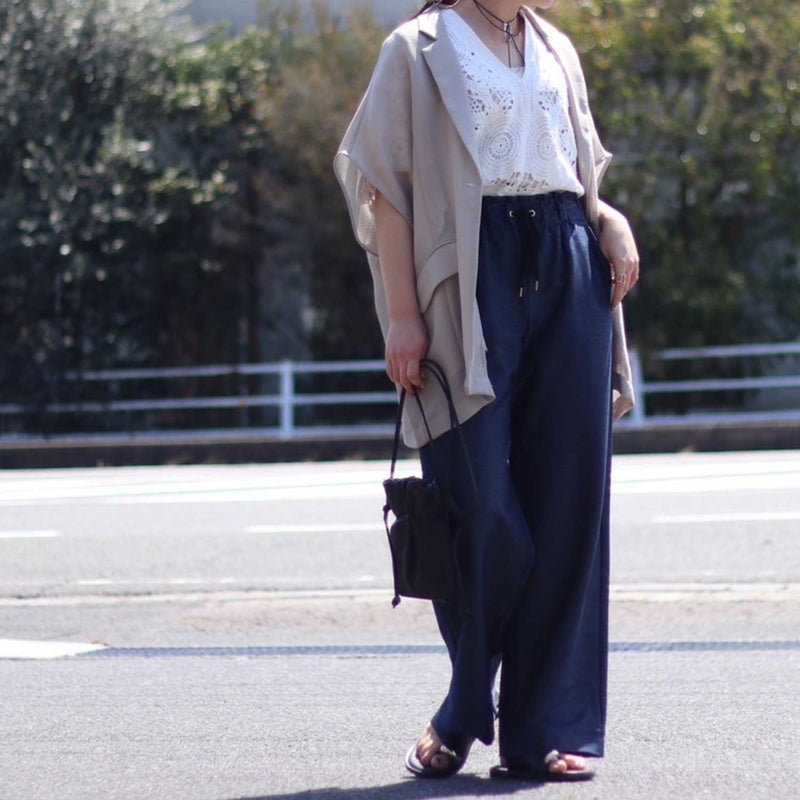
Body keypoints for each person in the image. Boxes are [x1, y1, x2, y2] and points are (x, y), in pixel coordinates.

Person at [334, 0, 639, 783]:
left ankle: (541, 728)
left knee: (568, 506)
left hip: (569, 264)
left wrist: (607, 220)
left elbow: (568, 165)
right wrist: (403, 315)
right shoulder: (416, 48)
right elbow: (385, 186)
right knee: (483, 509)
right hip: (470, 276)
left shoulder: (554, 44)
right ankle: (466, 703)